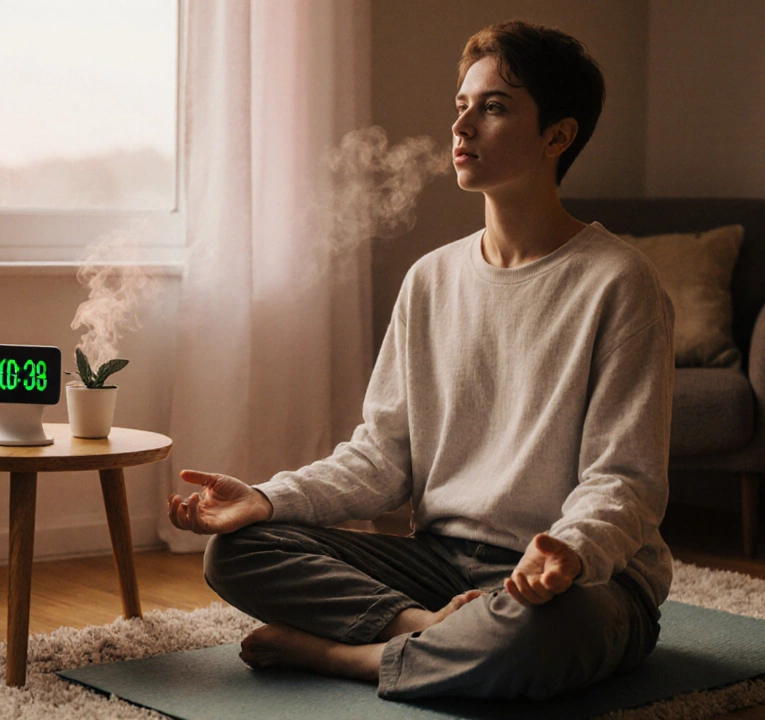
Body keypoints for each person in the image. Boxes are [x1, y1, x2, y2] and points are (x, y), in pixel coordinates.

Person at [167, 19, 674, 702]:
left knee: (539, 634)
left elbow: (627, 481)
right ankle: (419, 631)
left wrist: (571, 552)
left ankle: (349, 657)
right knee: (237, 550)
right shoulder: (430, 280)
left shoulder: (619, 281)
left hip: (577, 580)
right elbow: (381, 458)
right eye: (461, 107)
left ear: (558, 135)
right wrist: (265, 499)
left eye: (494, 108)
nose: (462, 128)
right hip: (440, 565)